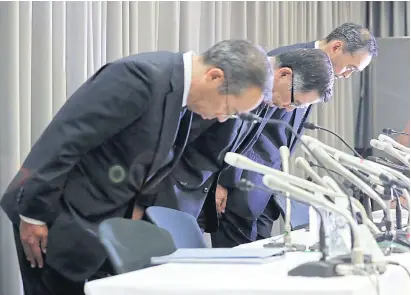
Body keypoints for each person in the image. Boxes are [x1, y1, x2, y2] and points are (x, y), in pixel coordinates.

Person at [0, 39, 273, 295]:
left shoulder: (182, 96)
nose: (224, 119)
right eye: (228, 108)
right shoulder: (140, 77)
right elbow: (63, 142)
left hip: (97, 227)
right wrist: (34, 215)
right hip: (55, 220)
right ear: (214, 76)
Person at [211, 22, 379, 247]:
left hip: (266, 186)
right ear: (337, 47)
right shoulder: (284, 63)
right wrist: (222, 180)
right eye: (350, 68)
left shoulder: (317, 73)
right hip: (239, 184)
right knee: (238, 267)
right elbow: (241, 128)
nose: (348, 76)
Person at [146, 47, 334, 235]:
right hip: (169, 188)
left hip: (197, 192)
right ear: (284, 74)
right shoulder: (240, 77)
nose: (288, 109)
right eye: (294, 102)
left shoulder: (266, 97)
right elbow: (180, 135)